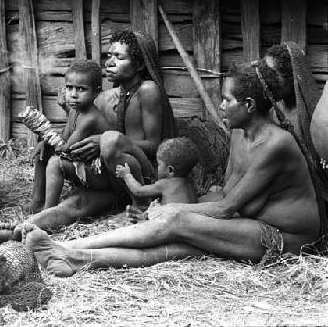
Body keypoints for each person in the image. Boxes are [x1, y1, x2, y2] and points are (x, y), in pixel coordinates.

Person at [20, 60, 322, 277]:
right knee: (172, 244)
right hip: (249, 223)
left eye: (227, 101)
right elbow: (226, 195)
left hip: (284, 239)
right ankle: (74, 259)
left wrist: (170, 212)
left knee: (175, 222)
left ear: (249, 106)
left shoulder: (275, 144)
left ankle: (64, 247)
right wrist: (165, 207)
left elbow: (228, 207)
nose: (220, 107)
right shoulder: (240, 132)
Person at [2, 29, 176, 236]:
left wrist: (106, 141)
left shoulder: (147, 90)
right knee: (73, 205)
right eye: (108, 56)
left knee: (111, 141)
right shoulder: (104, 98)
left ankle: (140, 205)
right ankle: (26, 227)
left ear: (138, 65)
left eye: (119, 57)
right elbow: (82, 127)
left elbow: (154, 145)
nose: (110, 62)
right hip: (108, 180)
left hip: (136, 176)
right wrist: (51, 138)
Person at [264, 42, 328, 237]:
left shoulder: (315, 116)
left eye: (274, 75)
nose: (268, 81)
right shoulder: (271, 112)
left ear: (292, 77)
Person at [41, 61, 112, 210]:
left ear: (96, 92)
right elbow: (64, 138)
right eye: (69, 88)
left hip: (102, 176)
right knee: (43, 150)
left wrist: (44, 132)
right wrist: (46, 142)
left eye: (81, 89)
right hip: (85, 166)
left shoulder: (90, 118)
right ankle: (36, 201)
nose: (73, 95)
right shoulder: (74, 111)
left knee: (55, 162)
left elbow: (66, 149)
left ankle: (47, 211)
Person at [116, 137, 198, 222]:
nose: (157, 168)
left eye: (159, 165)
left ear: (170, 170)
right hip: (191, 224)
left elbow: (138, 191)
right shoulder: (191, 185)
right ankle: (145, 217)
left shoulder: (166, 183)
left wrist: (127, 176)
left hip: (171, 224)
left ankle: (145, 219)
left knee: (156, 208)